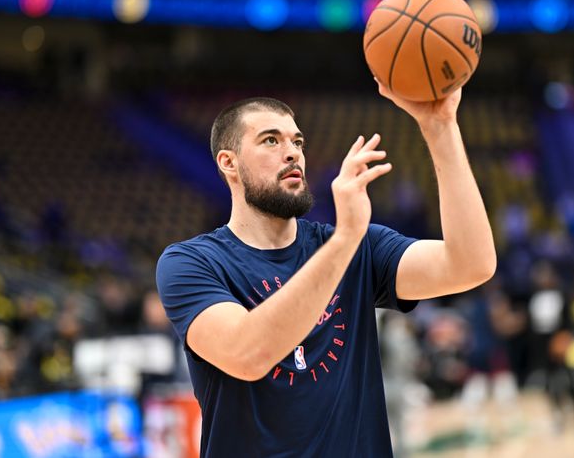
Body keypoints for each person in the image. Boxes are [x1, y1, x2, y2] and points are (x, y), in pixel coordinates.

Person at [156, 83, 496, 457]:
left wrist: (440, 126)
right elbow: (247, 353)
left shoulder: (359, 246)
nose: (292, 154)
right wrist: (346, 238)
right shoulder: (191, 263)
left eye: (297, 142)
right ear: (229, 162)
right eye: (271, 141)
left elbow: (471, 264)